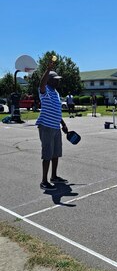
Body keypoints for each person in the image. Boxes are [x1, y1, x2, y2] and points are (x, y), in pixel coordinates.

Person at [36, 61, 68, 191]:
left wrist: (63, 124)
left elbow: (56, 110)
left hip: (56, 127)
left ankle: (54, 176)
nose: (58, 82)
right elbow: (41, 84)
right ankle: (44, 181)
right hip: (46, 126)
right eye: (55, 80)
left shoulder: (56, 93)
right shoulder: (45, 90)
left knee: (56, 153)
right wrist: (48, 70)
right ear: (49, 80)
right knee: (47, 154)